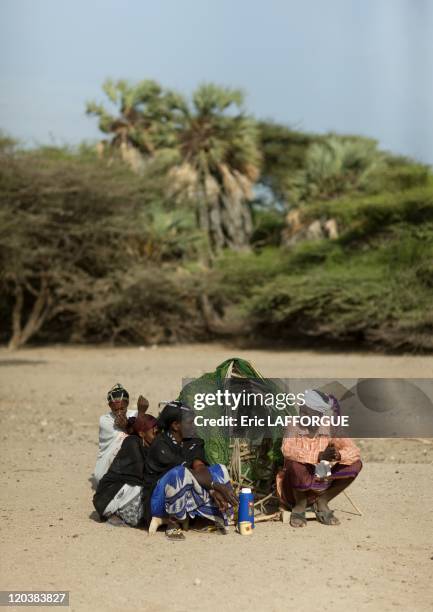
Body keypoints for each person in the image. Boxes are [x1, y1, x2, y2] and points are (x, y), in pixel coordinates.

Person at [143, 401, 237, 541]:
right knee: (179, 473)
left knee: (218, 469)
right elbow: (187, 472)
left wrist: (213, 489)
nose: (194, 425)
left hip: (185, 490)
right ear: (176, 425)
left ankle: (216, 512)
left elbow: (199, 467)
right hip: (158, 502)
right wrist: (215, 486)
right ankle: (172, 524)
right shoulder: (160, 445)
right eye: (190, 422)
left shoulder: (193, 440)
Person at [276, 389, 362, 528]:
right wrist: (318, 456)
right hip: (293, 489)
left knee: (355, 464)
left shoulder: (329, 427)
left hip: (321, 483)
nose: (302, 416)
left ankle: (322, 502)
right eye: (301, 411)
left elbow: (354, 450)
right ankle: (300, 506)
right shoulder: (293, 425)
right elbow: (287, 450)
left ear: (319, 415)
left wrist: (339, 455)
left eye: (307, 413)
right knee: (296, 464)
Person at [93, 413, 158, 527]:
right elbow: (141, 474)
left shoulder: (149, 446)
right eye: (154, 433)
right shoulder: (132, 443)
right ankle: (114, 514)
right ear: (142, 433)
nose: (158, 436)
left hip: (129, 488)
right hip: (110, 494)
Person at [92, 383, 149, 486]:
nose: (119, 413)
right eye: (115, 410)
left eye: (122, 409)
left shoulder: (135, 415)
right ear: (110, 406)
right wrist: (128, 425)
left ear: (127, 404)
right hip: (108, 466)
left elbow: (145, 436)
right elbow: (127, 437)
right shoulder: (105, 420)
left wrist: (138, 416)